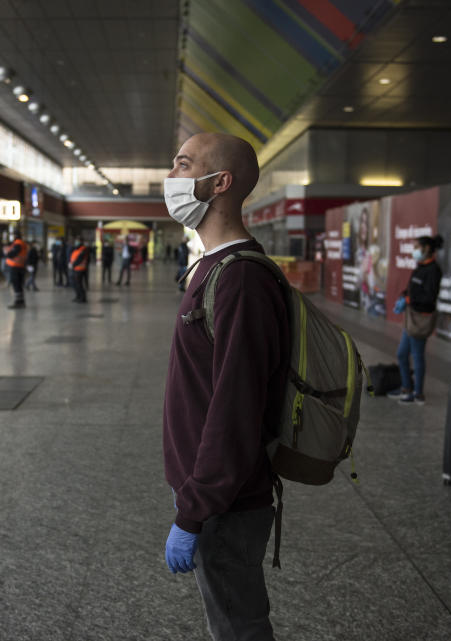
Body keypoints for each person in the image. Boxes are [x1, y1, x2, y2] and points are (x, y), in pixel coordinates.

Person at [162, 132, 289, 641]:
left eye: (182, 164)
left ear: (219, 183)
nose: (170, 177)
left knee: (239, 629)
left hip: (224, 503)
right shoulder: (214, 267)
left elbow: (235, 410)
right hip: (209, 493)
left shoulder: (240, 279)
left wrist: (195, 511)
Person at [389, 235, 443, 405]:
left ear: (427, 248)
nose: (414, 250)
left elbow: (429, 297)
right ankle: (406, 388)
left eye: (417, 247)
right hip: (411, 318)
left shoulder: (434, 270)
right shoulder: (419, 267)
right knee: (402, 354)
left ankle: (418, 394)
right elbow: (413, 288)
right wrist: (405, 295)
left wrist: (410, 300)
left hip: (421, 319)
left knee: (417, 356)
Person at [3, 228, 28, 309]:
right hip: (20, 266)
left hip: (16, 267)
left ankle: (18, 302)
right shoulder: (20, 243)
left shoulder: (18, 244)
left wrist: (7, 252)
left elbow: (12, 254)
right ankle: (21, 301)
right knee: (19, 285)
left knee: (16, 285)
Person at [68, 237, 88, 303]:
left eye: (78, 241)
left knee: (79, 284)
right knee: (75, 284)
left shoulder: (83, 249)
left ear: (81, 241)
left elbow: (80, 259)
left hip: (80, 269)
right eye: (76, 241)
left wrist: (73, 265)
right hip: (75, 269)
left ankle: (83, 298)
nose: (76, 242)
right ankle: (78, 296)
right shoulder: (76, 249)